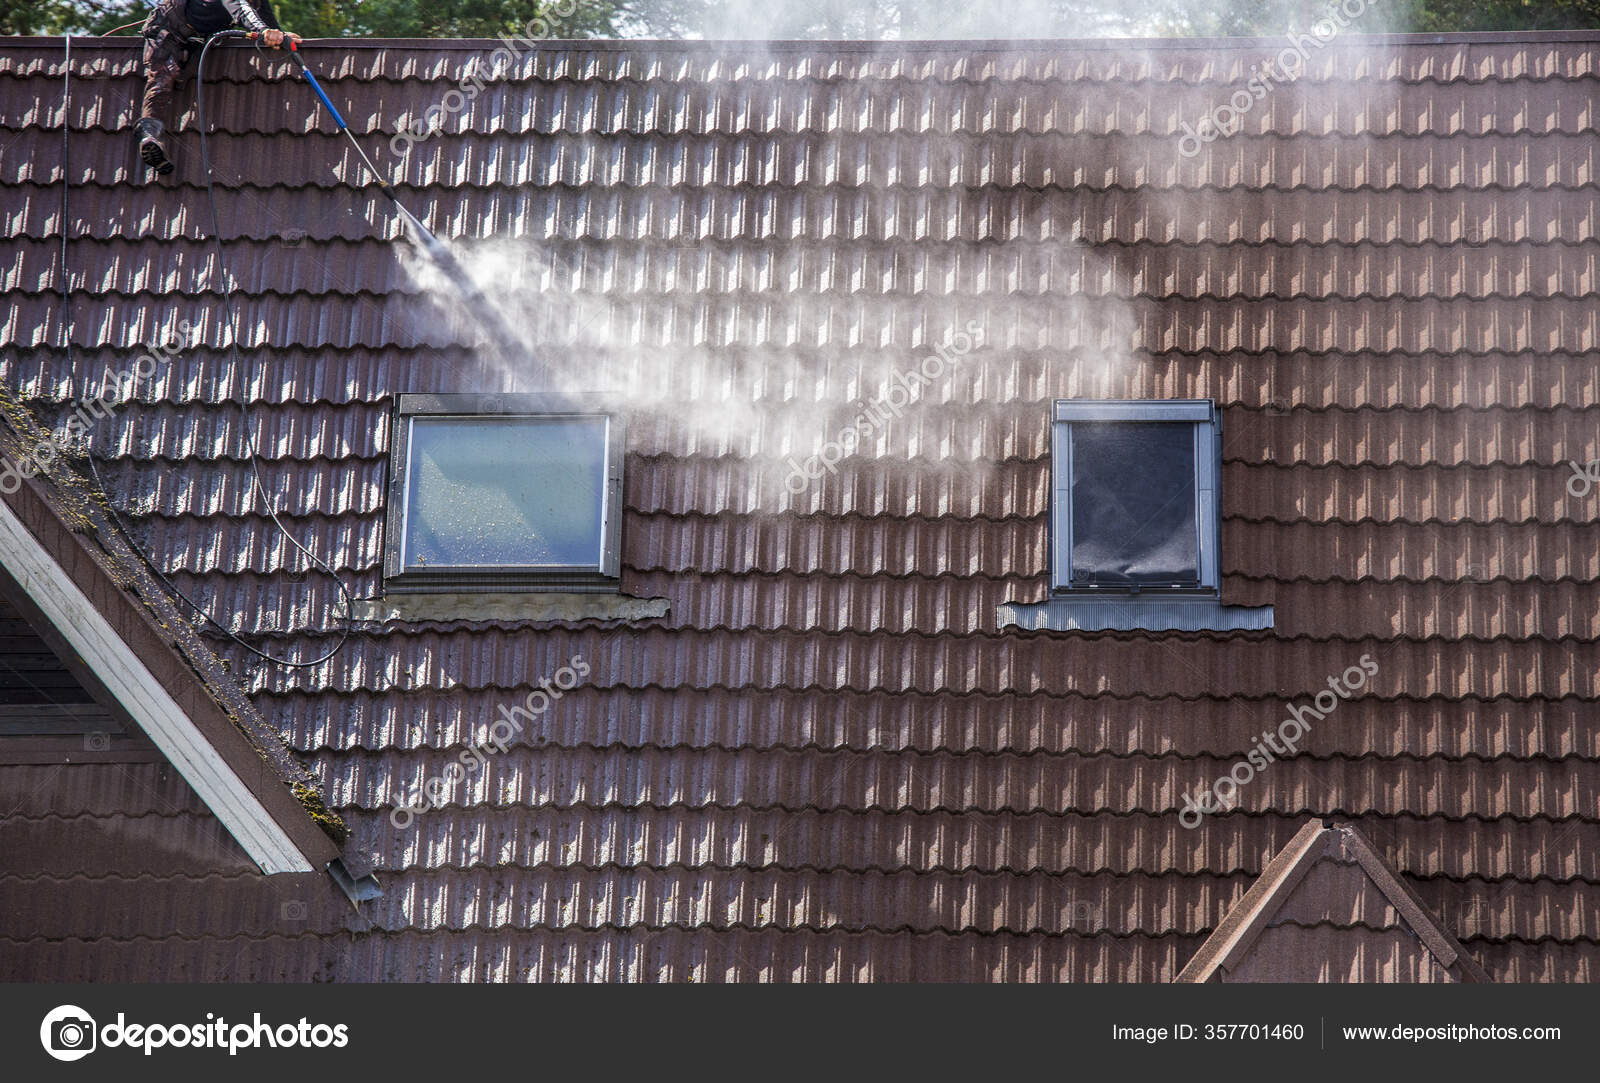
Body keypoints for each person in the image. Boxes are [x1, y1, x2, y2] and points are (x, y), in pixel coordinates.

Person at [135, 0, 302, 175]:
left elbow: (262, 13)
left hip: (197, 40)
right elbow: (240, 8)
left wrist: (279, 35)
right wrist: (264, 31)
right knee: (161, 81)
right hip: (167, 31)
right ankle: (149, 136)